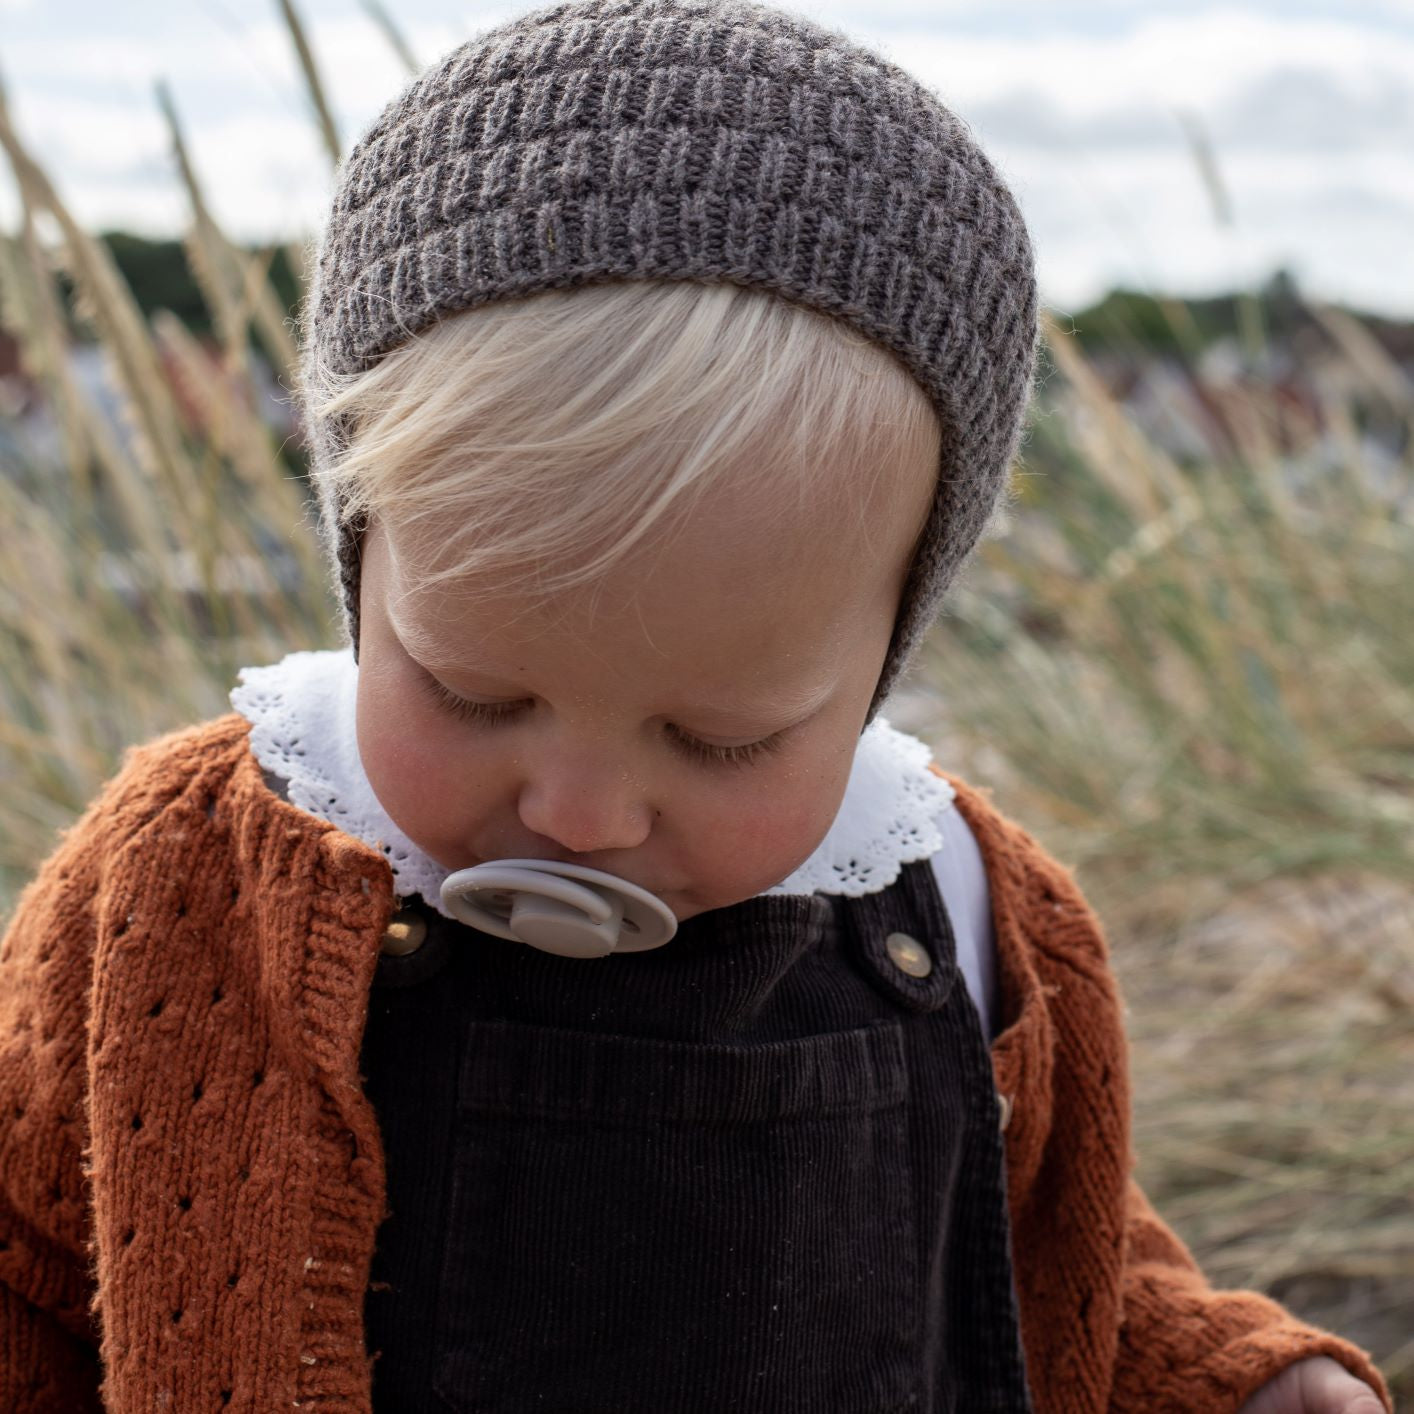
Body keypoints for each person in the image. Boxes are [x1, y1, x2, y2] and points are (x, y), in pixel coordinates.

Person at [0, 1, 1393, 1410]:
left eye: (719, 736)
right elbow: (24, 1251)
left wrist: (1235, 1380)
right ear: (362, 569)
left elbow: (1059, 1262)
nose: (579, 811)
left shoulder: (970, 913)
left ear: (880, 660)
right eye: (476, 691)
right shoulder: (188, 882)